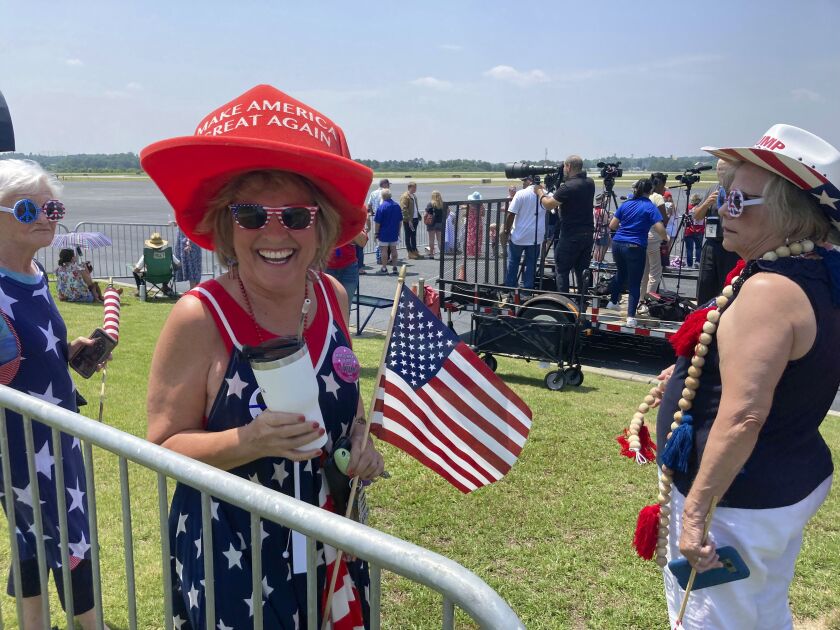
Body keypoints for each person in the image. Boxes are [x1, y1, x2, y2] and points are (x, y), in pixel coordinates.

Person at [141, 84, 384, 629]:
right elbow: (161, 446)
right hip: (235, 554)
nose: (275, 232)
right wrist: (248, 442)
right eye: (251, 215)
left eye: (295, 216)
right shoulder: (199, 316)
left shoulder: (331, 297)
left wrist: (361, 441)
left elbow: (348, 408)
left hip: (331, 539)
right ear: (227, 226)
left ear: (319, 225)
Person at [650, 124, 840, 629]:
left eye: (737, 201)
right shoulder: (816, 268)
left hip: (738, 501)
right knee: (760, 609)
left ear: (786, 211)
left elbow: (744, 416)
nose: (718, 209)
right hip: (778, 480)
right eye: (723, 196)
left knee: (713, 620)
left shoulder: (770, 291)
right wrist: (697, 368)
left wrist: (695, 518)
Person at [0, 159, 104, 629]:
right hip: (21, 447)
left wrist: (68, 353)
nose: (47, 218)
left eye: (53, 207)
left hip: (58, 436)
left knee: (33, 538)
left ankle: (34, 623)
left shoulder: (37, 272)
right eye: (28, 210)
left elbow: (29, 349)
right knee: (68, 538)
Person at [605, 179, 668, 327]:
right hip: (635, 246)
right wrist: (666, 237)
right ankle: (631, 317)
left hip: (618, 243)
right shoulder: (649, 207)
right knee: (635, 282)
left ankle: (613, 301)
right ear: (651, 191)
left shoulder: (626, 204)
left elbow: (612, 225)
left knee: (621, 273)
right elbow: (660, 228)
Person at [541, 155, 596, 293]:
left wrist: (539, 192)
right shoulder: (590, 183)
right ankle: (582, 304)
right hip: (587, 234)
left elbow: (548, 204)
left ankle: (564, 305)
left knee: (562, 270)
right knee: (582, 272)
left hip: (570, 235)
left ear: (569, 167)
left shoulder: (568, 187)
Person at [693, 158, 742, 303]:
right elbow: (697, 216)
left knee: (727, 286)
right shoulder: (712, 189)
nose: (720, 172)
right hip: (711, 243)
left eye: (723, 169)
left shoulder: (738, 189)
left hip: (731, 245)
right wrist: (707, 203)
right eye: (718, 169)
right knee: (705, 282)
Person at [502, 181, 547, 289]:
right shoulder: (545, 194)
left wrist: (506, 230)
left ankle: (510, 288)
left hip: (519, 235)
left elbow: (511, 213)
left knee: (513, 262)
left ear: (529, 182)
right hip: (536, 235)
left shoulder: (521, 194)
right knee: (531, 264)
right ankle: (527, 289)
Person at [640, 173, 669, 298]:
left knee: (644, 273)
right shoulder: (657, 197)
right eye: (663, 184)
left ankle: (641, 299)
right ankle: (649, 300)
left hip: (642, 236)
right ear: (659, 184)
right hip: (654, 237)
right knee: (655, 273)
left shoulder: (645, 197)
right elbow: (663, 219)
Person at [132, 232, 180, 297]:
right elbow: (179, 264)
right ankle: (165, 286)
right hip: (166, 276)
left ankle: (141, 290)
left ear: (151, 245)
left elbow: (136, 269)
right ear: (162, 245)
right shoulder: (168, 253)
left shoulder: (147, 254)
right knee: (167, 269)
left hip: (151, 277)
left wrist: (145, 268)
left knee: (134, 271)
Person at [326, 229, 368, 305]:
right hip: (326, 268)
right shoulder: (324, 217)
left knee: (345, 306)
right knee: (327, 306)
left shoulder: (351, 218)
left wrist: (348, 224)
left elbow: (362, 242)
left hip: (348, 269)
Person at [374, 188, 401, 274]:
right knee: (394, 249)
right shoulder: (397, 206)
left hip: (384, 232)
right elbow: (400, 221)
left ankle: (384, 268)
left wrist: (376, 233)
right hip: (394, 231)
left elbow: (377, 222)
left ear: (382, 196)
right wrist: (398, 231)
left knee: (384, 250)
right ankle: (395, 267)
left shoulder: (381, 207)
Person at [367, 178, 389, 266]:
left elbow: (369, 204)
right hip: (384, 217)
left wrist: (372, 212)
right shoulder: (385, 193)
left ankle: (379, 257)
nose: (389, 186)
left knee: (378, 237)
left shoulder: (373, 193)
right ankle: (382, 257)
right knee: (384, 239)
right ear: (384, 184)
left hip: (376, 216)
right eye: (388, 184)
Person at [399, 181, 423, 259]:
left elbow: (415, 207)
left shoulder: (414, 196)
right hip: (408, 220)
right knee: (408, 236)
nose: (415, 189)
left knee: (413, 235)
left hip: (415, 218)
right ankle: (409, 252)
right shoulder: (405, 196)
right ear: (409, 187)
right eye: (414, 187)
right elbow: (404, 208)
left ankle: (414, 250)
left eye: (416, 187)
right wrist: (408, 219)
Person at [683, 193, 705, 268]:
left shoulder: (688, 207)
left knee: (689, 249)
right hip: (699, 230)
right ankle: (697, 262)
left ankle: (689, 264)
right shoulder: (702, 207)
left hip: (689, 230)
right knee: (698, 248)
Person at [424, 190, 445, 258]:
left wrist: (425, 221)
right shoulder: (442, 204)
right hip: (439, 222)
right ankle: (442, 254)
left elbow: (426, 214)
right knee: (439, 239)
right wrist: (444, 218)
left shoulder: (430, 204)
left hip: (431, 223)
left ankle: (432, 254)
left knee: (431, 239)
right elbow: (448, 212)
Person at [592, 192, 611, 265]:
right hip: (603, 231)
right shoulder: (603, 211)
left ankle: (596, 261)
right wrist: (610, 218)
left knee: (597, 248)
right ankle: (600, 262)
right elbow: (606, 221)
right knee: (602, 248)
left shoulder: (594, 210)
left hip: (596, 231)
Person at [464, 191, 484, 257]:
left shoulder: (470, 206)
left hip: (471, 222)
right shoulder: (481, 206)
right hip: (479, 222)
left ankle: (470, 252)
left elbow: (466, 214)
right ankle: (477, 252)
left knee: (471, 237)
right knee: (478, 237)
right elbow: (483, 214)